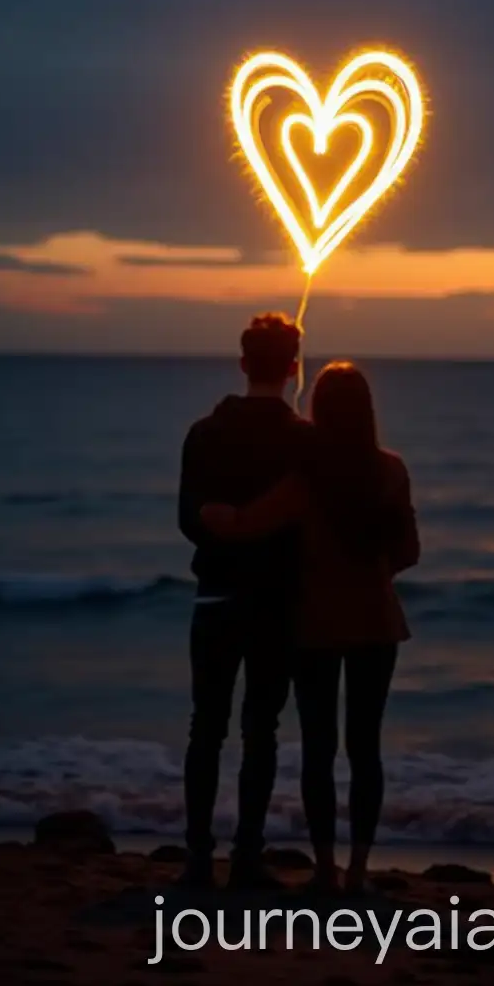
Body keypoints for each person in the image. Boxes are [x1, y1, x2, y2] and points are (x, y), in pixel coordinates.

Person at [201, 361, 419, 894]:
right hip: (377, 621)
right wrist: (372, 575)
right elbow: (409, 551)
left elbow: (248, 524)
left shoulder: (306, 479)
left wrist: (207, 511)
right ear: (368, 411)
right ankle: (359, 873)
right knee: (366, 749)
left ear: (318, 410)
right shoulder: (391, 470)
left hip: (315, 625)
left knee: (318, 750)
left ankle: (324, 869)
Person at [177, 312, 311, 889]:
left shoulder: (204, 433)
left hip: (214, 598)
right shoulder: (305, 440)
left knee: (205, 728)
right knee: (262, 730)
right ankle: (247, 857)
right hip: (276, 603)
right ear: (292, 367)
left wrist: (228, 525)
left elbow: (189, 521)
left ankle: (198, 858)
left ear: (241, 363)